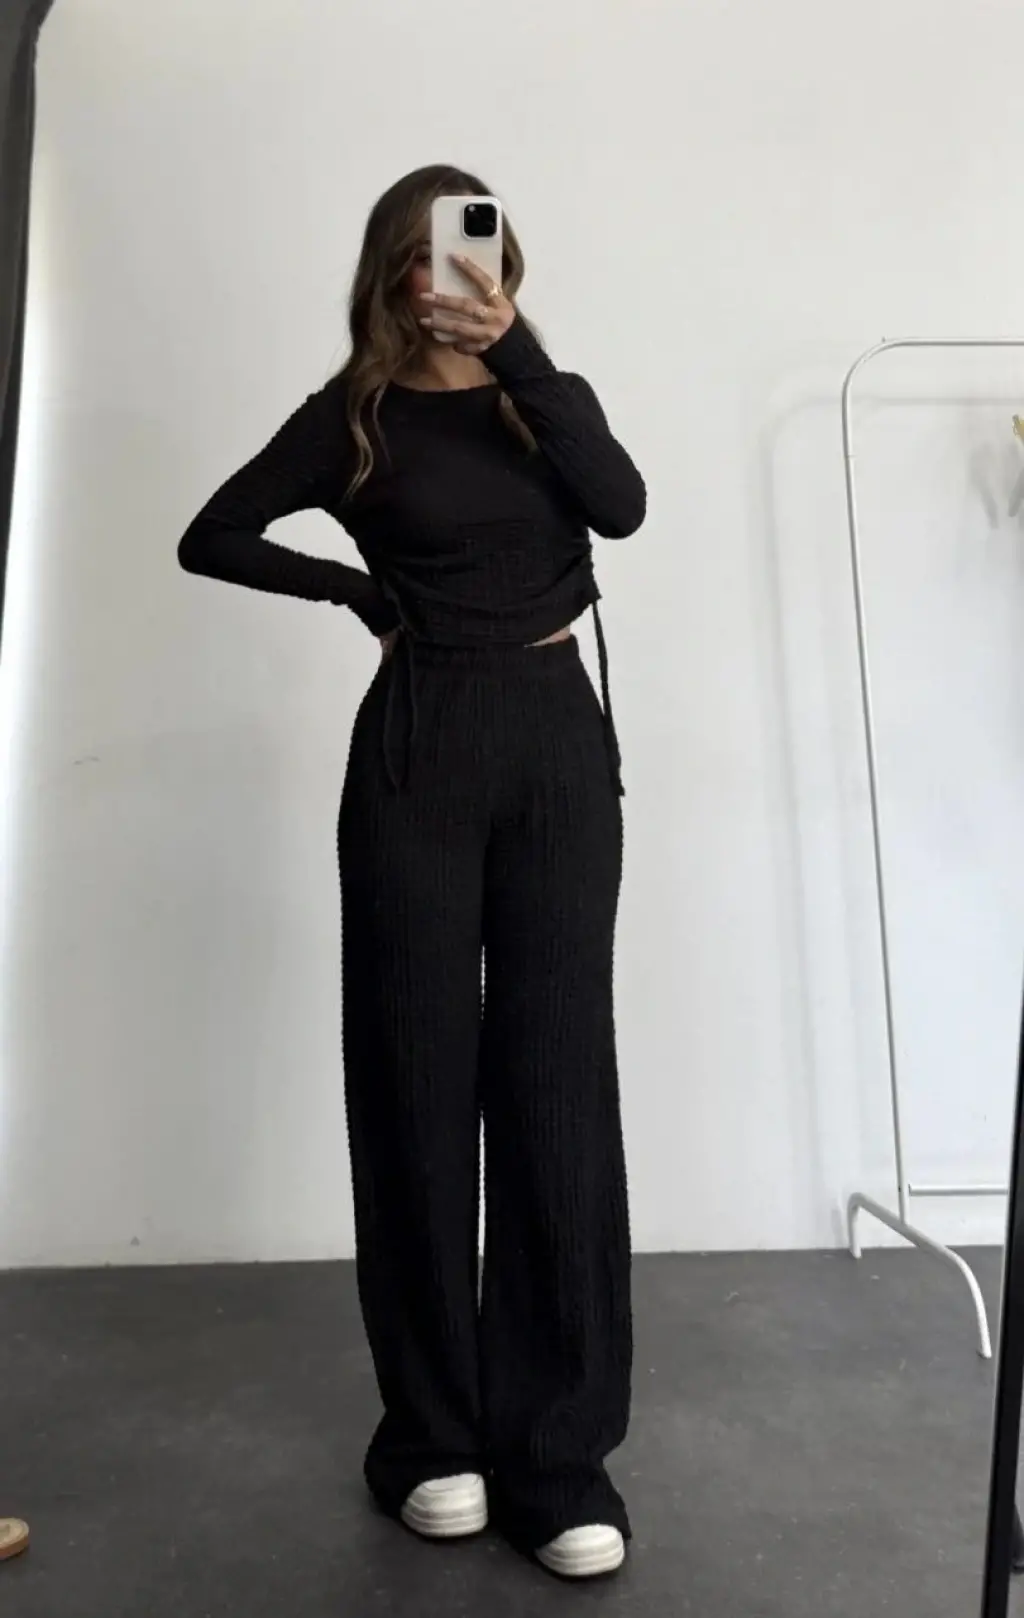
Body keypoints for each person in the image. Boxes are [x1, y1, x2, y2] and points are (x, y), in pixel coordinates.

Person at [178, 164, 646, 1579]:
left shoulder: (543, 398)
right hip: (418, 751)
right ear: (393, 273)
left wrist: (521, 354)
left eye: (483, 250)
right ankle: (433, 1438)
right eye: (434, 256)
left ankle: (559, 1456)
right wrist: (356, 590)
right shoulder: (355, 418)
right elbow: (213, 533)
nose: (460, 277)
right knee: (413, 1082)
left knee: (556, 1087)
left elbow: (621, 507)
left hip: (556, 743)